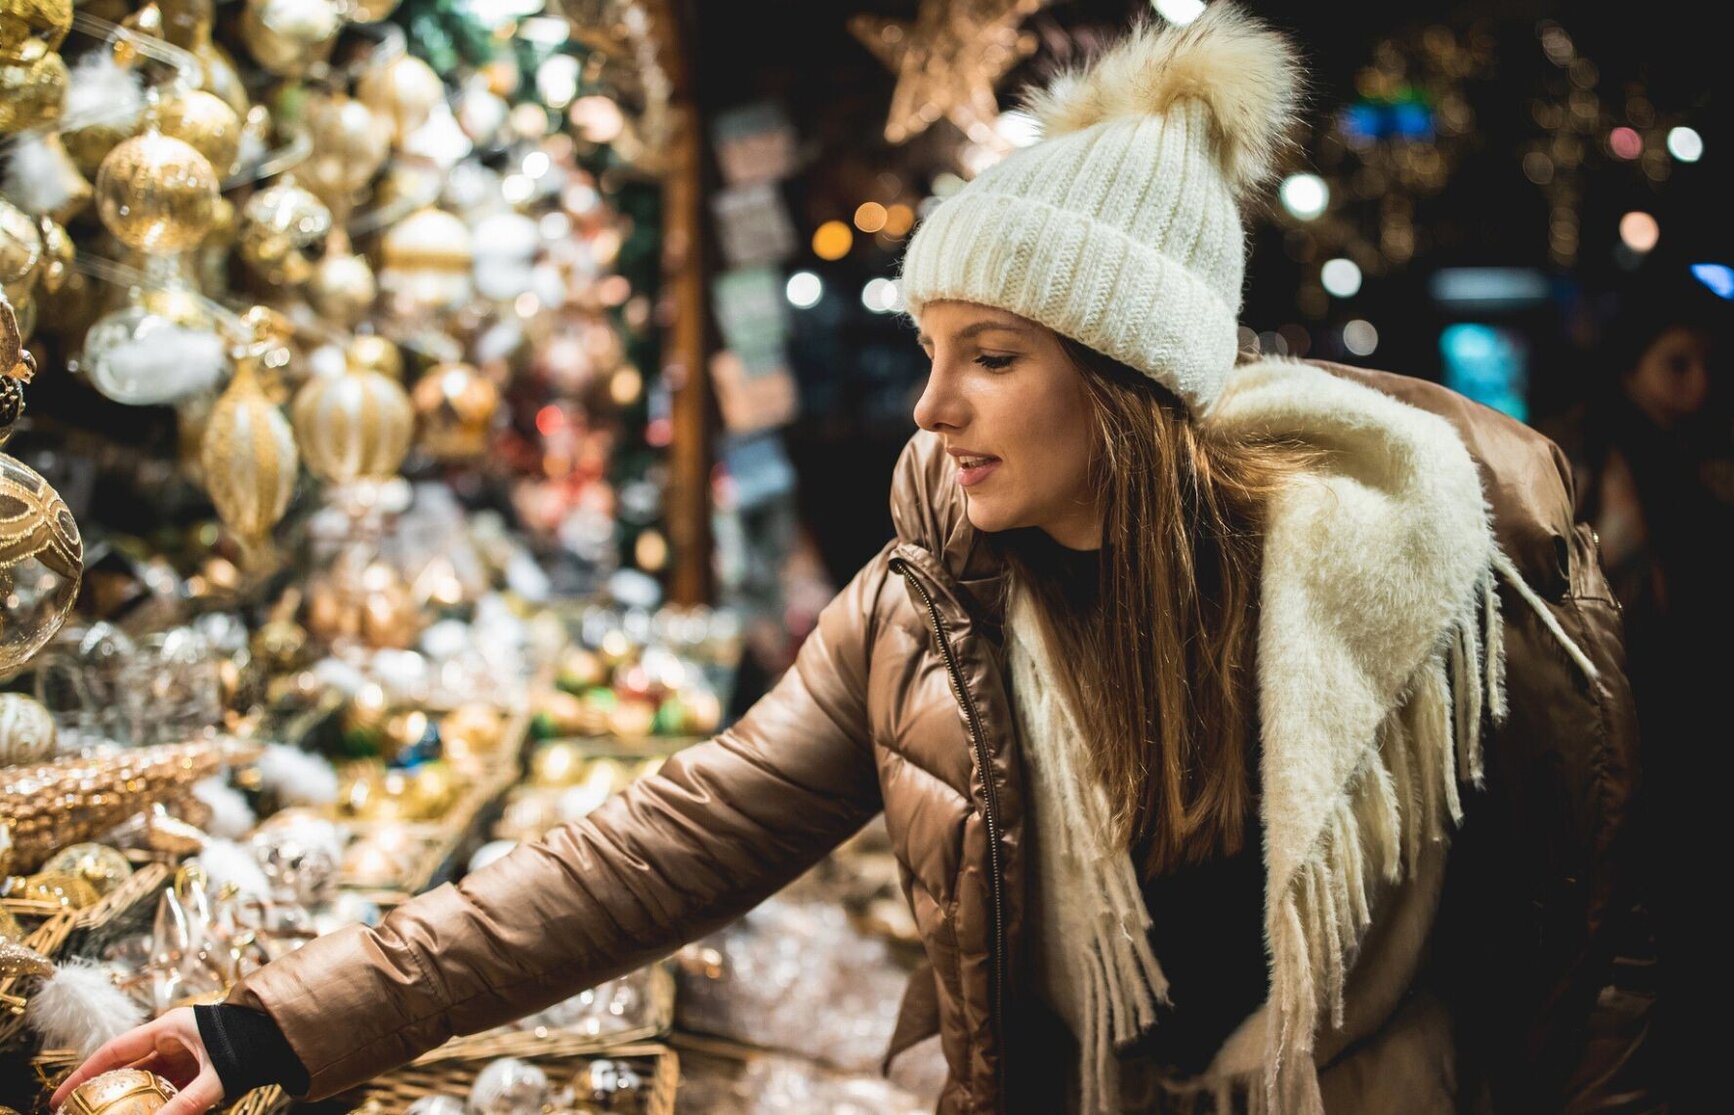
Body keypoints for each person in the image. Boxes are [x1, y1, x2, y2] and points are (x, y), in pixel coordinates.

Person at [55, 6, 1653, 1113]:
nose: (933, 405)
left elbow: (1600, 964)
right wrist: (278, 1025)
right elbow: (657, 845)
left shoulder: (1453, 577)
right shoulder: (931, 613)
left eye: (993, 356)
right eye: (930, 346)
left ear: (1129, 380)